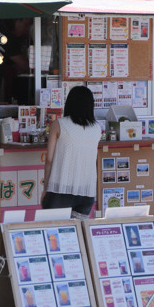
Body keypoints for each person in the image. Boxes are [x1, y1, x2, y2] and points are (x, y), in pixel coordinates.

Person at [42, 86, 103, 219]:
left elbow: (49, 160)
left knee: (54, 233)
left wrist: (46, 188)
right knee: (77, 234)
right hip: (87, 192)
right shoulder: (97, 128)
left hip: (60, 190)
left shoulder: (58, 124)